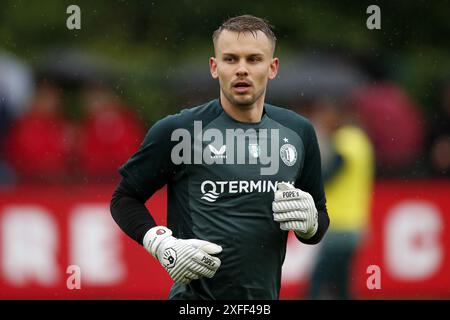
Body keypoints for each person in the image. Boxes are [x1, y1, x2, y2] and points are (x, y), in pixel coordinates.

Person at [110, 15, 330, 300]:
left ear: (272, 68)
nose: (241, 70)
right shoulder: (180, 131)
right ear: (215, 67)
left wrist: (311, 223)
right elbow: (124, 198)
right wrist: (161, 243)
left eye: (253, 59)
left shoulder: (298, 132)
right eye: (230, 59)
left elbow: (319, 220)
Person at [303, 97, 374, 299]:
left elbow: (329, 176)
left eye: (325, 114)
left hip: (340, 226)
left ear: (338, 115)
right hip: (355, 223)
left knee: (317, 283)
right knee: (342, 285)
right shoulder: (361, 140)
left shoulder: (345, 141)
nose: (323, 120)